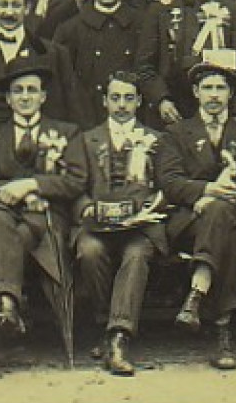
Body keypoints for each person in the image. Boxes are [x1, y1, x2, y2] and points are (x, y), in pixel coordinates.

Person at [0, 57, 83, 382]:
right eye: (18, 91)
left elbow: (76, 180)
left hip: (45, 215)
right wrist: (9, 192)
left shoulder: (66, 132)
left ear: (44, 96)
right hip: (2, 211)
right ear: (8, 99)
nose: (26, 97)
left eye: (33, 90)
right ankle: (5, 304)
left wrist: (32, 186)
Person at [158, 59, 236, 370]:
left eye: (220, 88)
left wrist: (228, 194)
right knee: (222, 224)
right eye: (207, 88)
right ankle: (222, 329)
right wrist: (205, 193)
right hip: (189, 218)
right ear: (195, 92)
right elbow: (169, 180)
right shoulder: (177, 133)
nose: (214, 95)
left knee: (222, 215)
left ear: (231, 94)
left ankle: (197, 292)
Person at [70, 72, 168, 376]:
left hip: (140, 226)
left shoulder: (156, 139)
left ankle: (118, 337)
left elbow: (169, 184)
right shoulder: (86, 140)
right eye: (116, 98)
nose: (122, 105)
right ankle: (104, 322)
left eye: (128, 98)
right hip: (98, 225)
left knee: (136, 254)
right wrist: (87, 209)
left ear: (139, 101)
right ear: (104, 101)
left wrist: (152, 207)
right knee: (89, 250)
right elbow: (74, 187)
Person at [51, 0, 152, 129]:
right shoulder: (69, 30)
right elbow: (63, 84)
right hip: (86, 123)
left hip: (136, 122)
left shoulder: (143, 24)